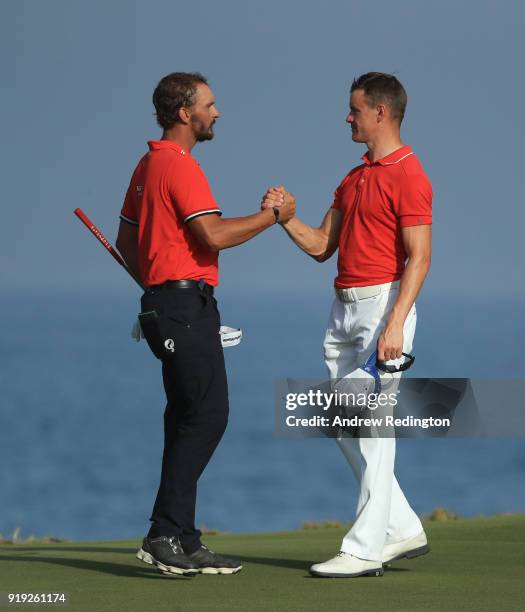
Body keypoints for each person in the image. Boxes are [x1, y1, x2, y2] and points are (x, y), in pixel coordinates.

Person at [116, 72, 295, 576]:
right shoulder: (178, 166)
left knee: (185, 418)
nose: (216, 113)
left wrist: (156, 284)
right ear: (184, 113)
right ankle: (162, 534)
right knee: (207, 417)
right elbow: (212, 234)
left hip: (167, 306)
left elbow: (128, 244)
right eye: (209, 106)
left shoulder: (146, 165)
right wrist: (272, 215)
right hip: (183, 308)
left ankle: (183, 536)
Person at [262, 72, 432, 578]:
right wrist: (285, 217)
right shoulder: (354, 177)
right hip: (342, 310)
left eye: (354, 109)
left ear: (380, 112)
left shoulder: (409, 173)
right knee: (340, 423)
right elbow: (320, 246)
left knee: (373, 428)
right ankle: (401, 527)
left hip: (383, 307)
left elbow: (419, 257)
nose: (347, 117)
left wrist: (395, 324)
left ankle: (363, 549)